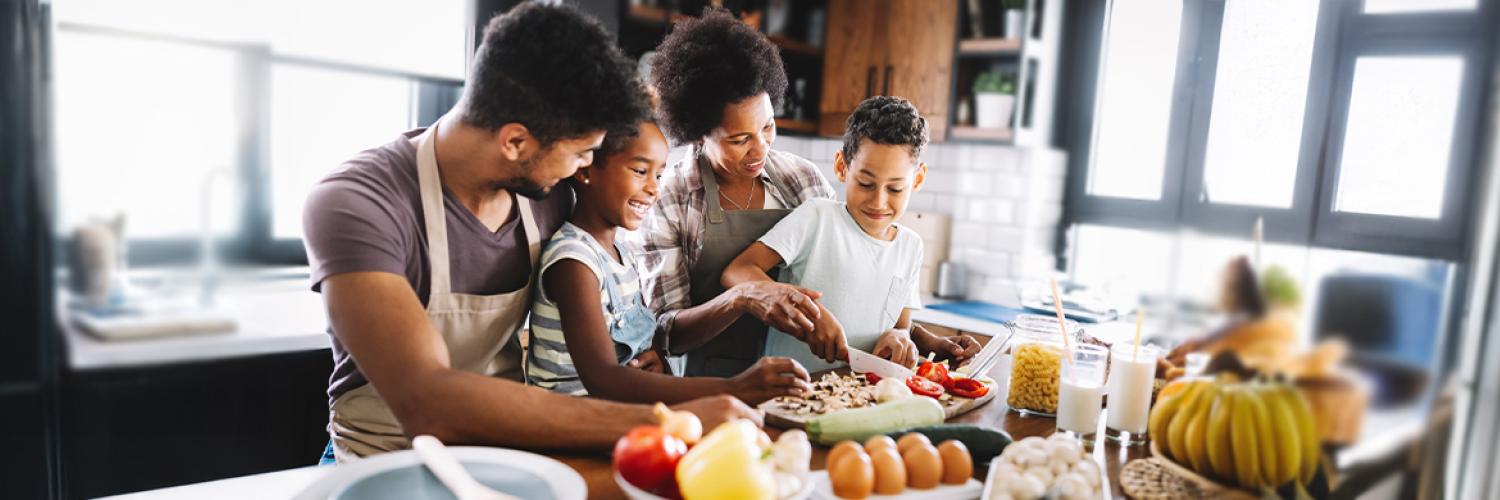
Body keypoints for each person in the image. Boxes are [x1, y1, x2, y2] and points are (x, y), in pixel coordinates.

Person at [302, 3, 757, 464]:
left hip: (504, 452)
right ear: (515, 142)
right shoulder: (356, 203)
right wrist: (669, 419)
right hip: (382, 457)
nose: (585, 168)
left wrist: (639, 357)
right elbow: (426, 401)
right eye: (583, 153)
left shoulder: (548, 190)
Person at [524, 113, 811, 404]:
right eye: (639, 171)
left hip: (614, 410)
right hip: (572, 419)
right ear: (585, 170)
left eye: (658, 175)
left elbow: (633, 351)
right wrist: (733, 388)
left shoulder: (620, 254)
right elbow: (604, 378)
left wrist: (654, 358)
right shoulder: (574, 262)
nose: (654, 188)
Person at [641, 7, 836, 378]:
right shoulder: (670, 196)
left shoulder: (801, 180)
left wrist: (907, 330)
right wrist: (741, 298)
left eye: (768, 127)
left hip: (801, 377)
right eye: (740, 139)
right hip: (709, 385)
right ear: (699, 132)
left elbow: (846, 264)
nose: (760, 148)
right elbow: (666, 333)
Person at [722, 96, 981, 373]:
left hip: (861, 399)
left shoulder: (911, 247)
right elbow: (737, 271)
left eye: (895, 189)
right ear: (842, 167)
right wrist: (806, 310)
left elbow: (900, 326)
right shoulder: (817, 218)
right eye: (866, 183)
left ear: (917, 180)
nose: (879, 202)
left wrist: (899, 338)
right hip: (790, 392)